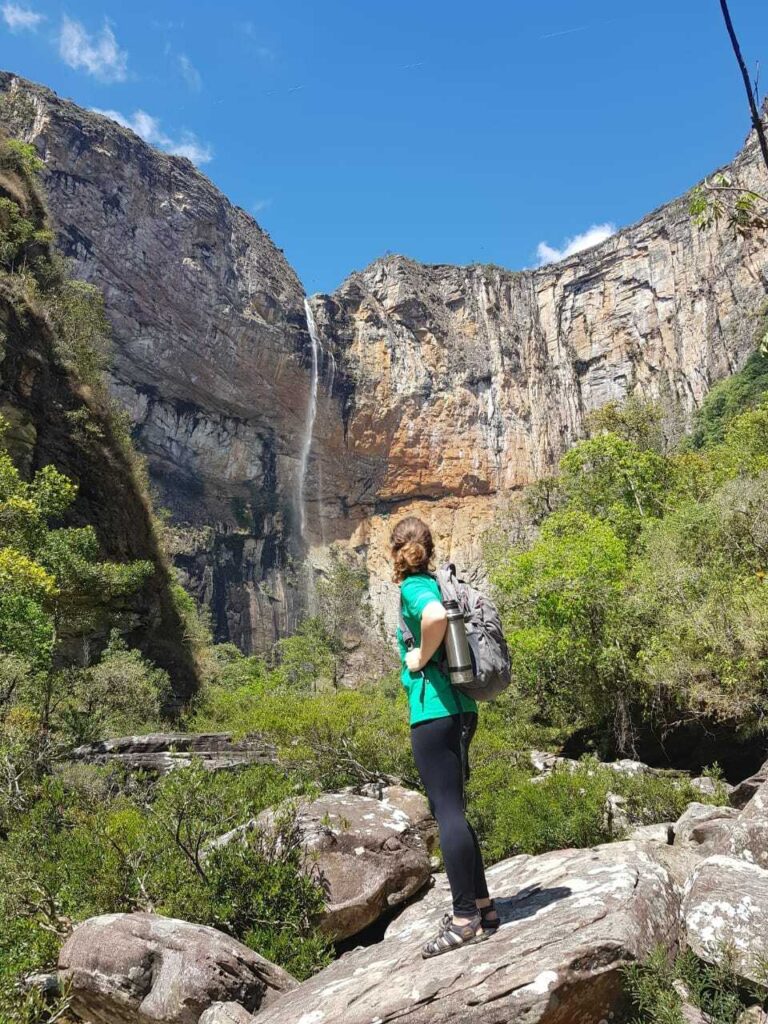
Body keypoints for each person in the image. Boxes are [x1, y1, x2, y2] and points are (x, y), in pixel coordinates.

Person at [389, 515, 499, 958]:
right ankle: (484, 907)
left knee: (447, 811)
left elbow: (433, 618)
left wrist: (419, 657)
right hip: (460, 710)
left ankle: (463, 918)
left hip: (434, 714)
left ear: (394, 553)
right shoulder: (436, 580)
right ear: (428, 549)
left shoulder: (414, 588)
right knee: (453, 807)